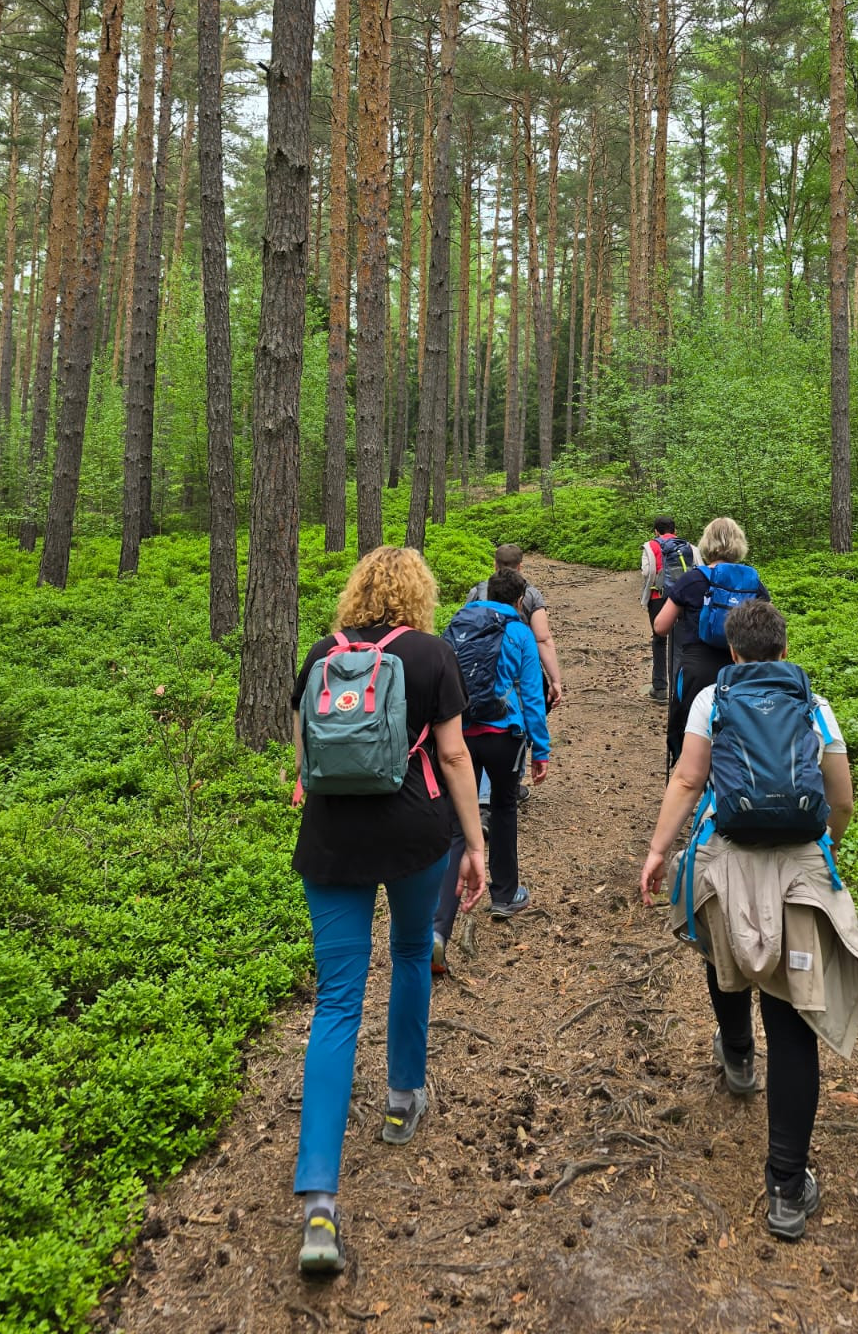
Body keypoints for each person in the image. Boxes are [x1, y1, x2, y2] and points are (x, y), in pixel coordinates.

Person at [640, 600, 858, 1244]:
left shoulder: (712, 700)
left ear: (734, 651)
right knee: (794, 1022)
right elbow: (841, 798)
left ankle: (739, 1055)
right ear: (784, 649)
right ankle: (786, 1188)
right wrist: (824, 847)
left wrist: (659, 851)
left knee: (723, 956)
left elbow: (688, 780)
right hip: (798, 868)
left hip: (727, 861)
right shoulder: (815, 705)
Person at [289, 546, 486, 1275]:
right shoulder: (432, 655)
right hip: (414, 834)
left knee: (338, 1001)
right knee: (409, 954)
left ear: (356, 593)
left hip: (331, 841)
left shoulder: (321, 655)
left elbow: (304, 754)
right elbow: (455, 757)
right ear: (419, 594)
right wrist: (476, 846)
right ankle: (402, 1097)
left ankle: (318, 1205)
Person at [434, 567, 550, 965]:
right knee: (503, 808)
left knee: (456, 822)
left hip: (459, 736)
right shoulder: (519, 632)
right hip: (504, 735)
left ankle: (438, 926)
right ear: (519, 600)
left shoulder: (457, 624)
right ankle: (504, 895)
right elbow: (532, 695)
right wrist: (541, 750)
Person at [652, 516, 769, 765]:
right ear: (739, 544)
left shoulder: (692, 579)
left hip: (698, 671)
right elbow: (768, 630)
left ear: (706, 544)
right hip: (740, 671)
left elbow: (660, 627)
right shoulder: (752, 582)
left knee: (691, 735)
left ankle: (688, 773)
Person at [466, 543, 562, 709]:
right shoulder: (530, 594)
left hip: (480, 668)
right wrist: (555, 681)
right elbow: (542, 639)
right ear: (520, 567)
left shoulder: (477, 592)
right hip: (519, 668)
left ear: (495, 564)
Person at [639, 515, 693, 703]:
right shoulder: (687, 546)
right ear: (675, 530)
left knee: (659, 639)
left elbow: (647, 572)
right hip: (684, 599)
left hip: (658, 597)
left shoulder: (650, 546)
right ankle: (681, 688)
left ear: (656, 531)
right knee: (681, 641)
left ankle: (660, 687)